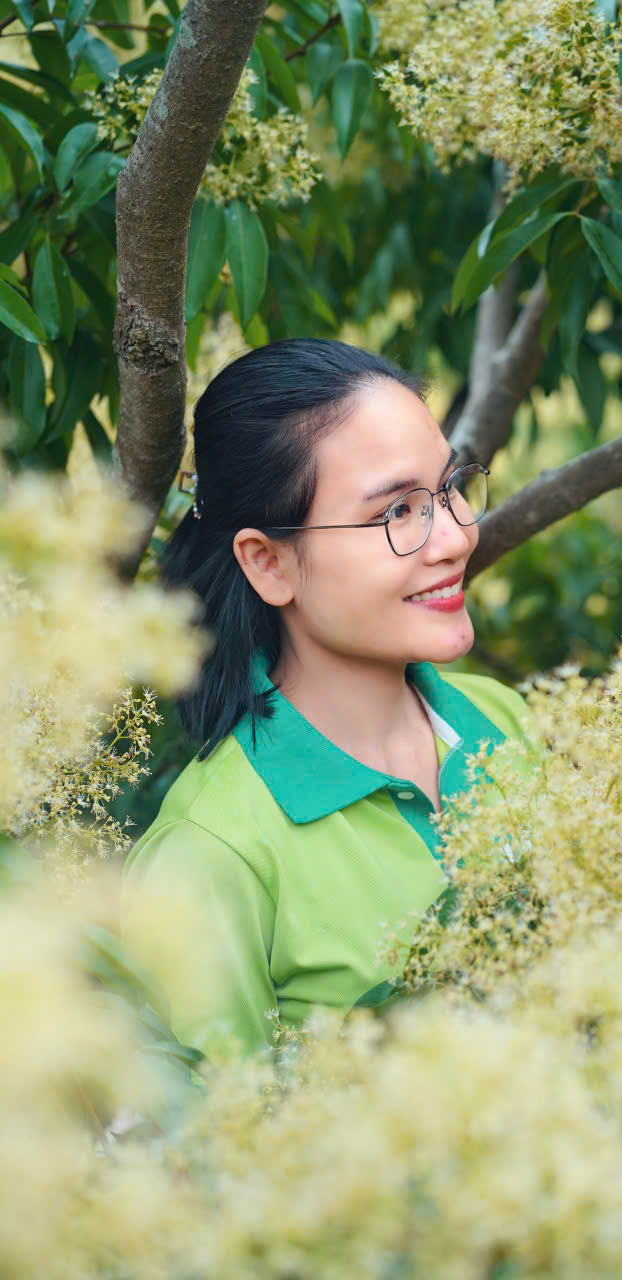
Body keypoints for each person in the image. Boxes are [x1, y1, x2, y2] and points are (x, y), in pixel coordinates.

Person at [124, 338, 533, 1061]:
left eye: (450, 488)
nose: (455, 535)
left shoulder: (501, 718)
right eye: (398, 512)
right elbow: (212, 1126)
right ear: (268, 563)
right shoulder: (212, 854)